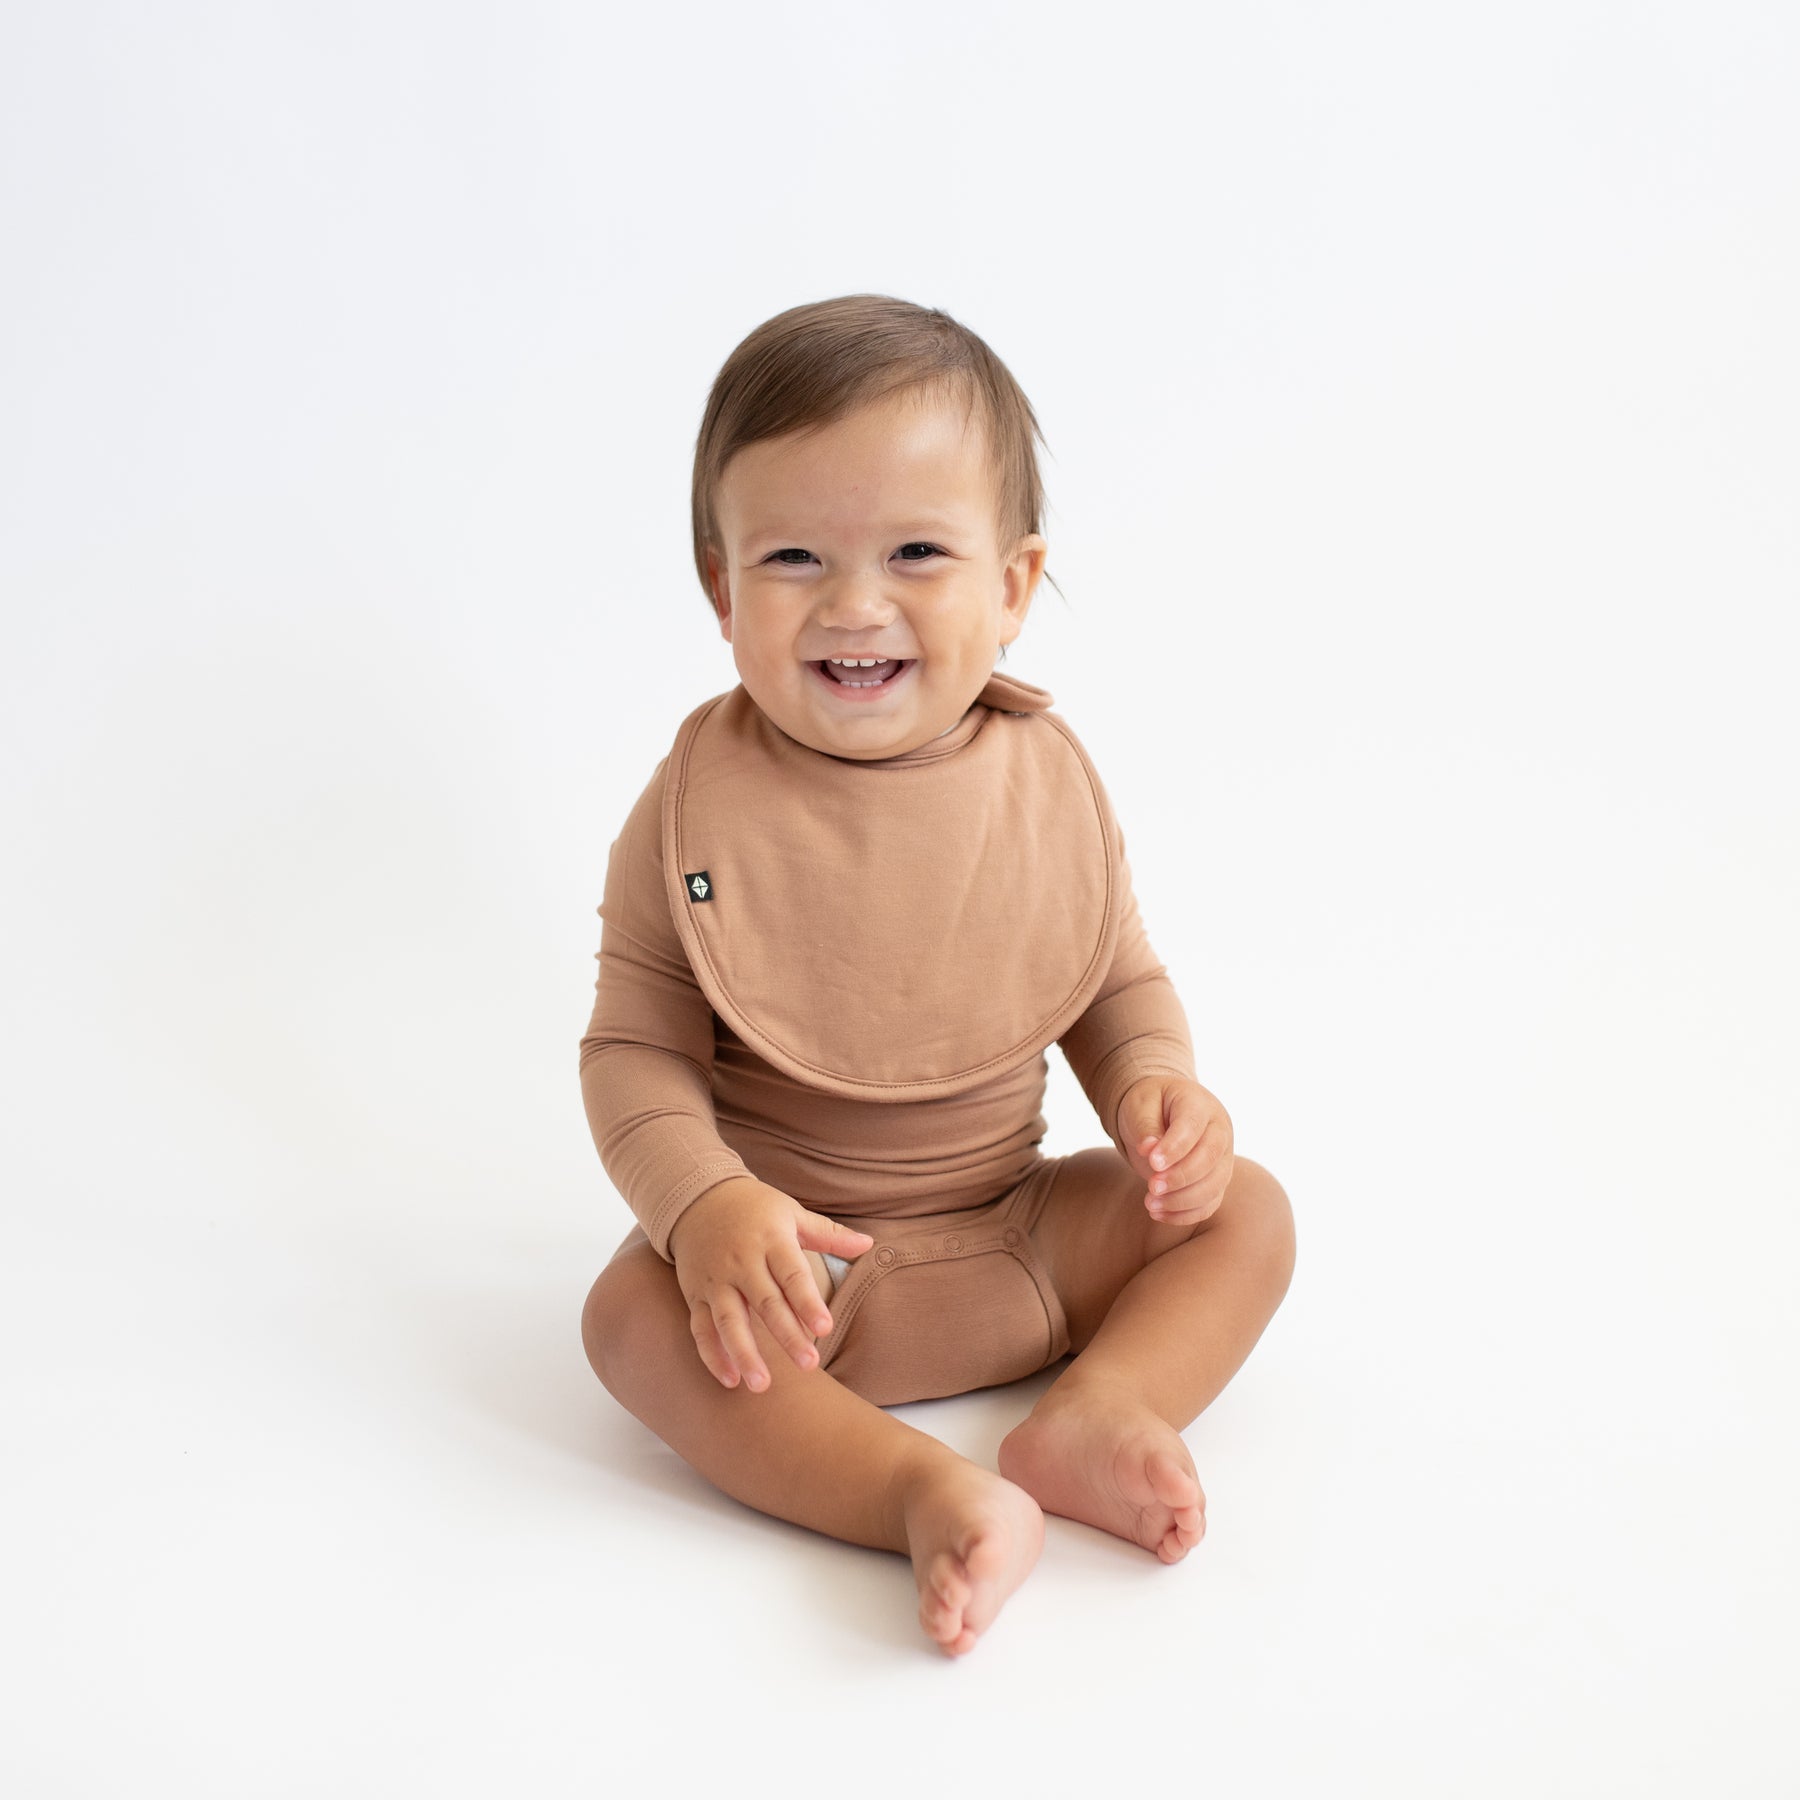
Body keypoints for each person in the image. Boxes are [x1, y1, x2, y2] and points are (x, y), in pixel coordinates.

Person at [578, 294, 1296, 1658]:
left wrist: (1158, 1092)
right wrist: (708, 1205)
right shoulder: (687, 815)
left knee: (1248, 1213)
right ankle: (912, 1490)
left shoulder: (1042, 790)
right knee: (627, 1320)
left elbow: (1112, 983)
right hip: (797, 1281)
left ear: (1013, 585)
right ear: (722, 588)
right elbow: (633, 1053)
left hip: (1024, 1239)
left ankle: (1099, 1411)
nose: (857, 604)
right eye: (794, 556)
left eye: (916, 551)